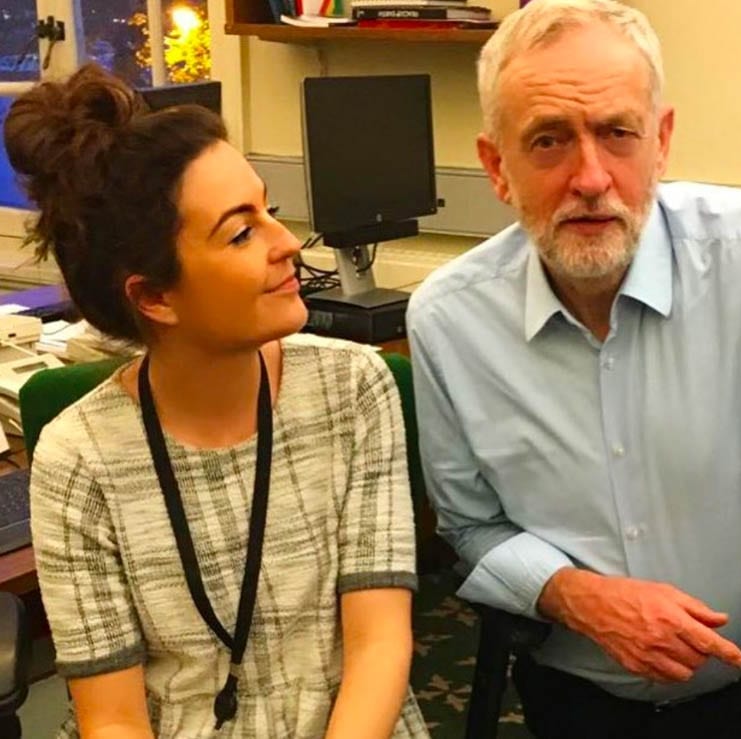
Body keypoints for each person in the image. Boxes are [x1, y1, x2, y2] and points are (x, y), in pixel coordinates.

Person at [406, 0, 741, 737]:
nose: (590, 177)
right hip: (574, 695)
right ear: (496, 167)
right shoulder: (448, 320)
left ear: (661, 142)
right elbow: (471, 524)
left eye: (617, 133)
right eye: (548, 140)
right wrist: (574, 595)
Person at [5, 64, 428, 739]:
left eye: (268, 211)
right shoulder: (78, 460)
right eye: (241, 232)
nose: (287, 245)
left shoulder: (353, 389)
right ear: (154, 296)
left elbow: (378, 645)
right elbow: (113, 719)